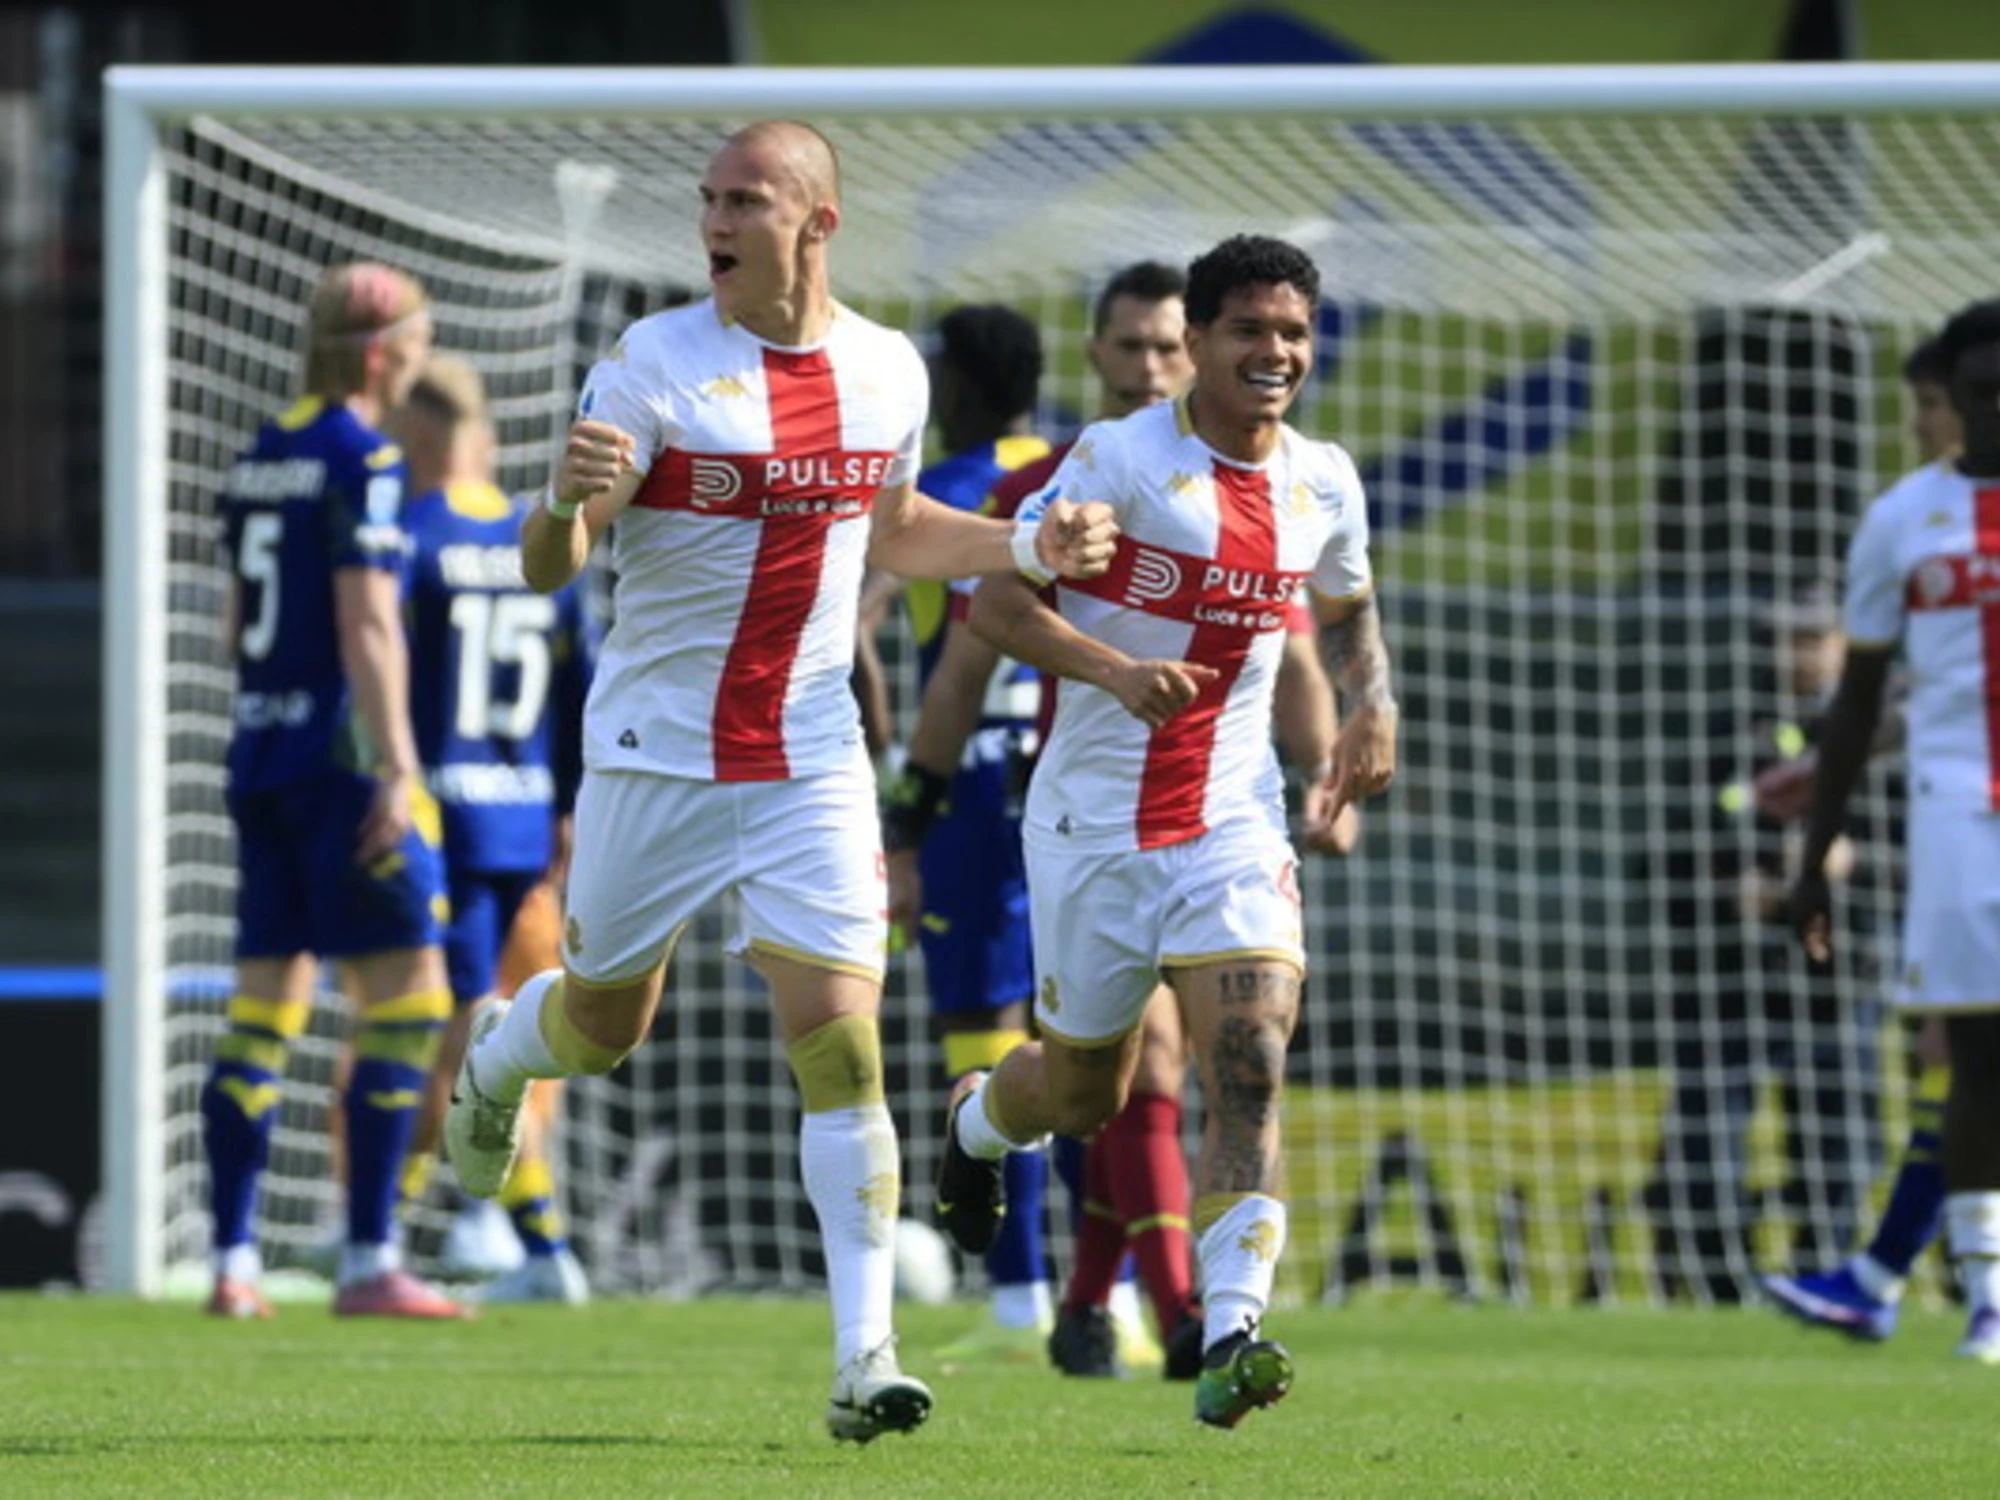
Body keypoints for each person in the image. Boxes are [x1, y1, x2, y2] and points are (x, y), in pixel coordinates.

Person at [441, 120, 1116, 1443]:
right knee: (601, 1029)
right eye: (707, 199)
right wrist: (554, 506)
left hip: (810, 752)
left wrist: (1026, 537)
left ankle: (865, 1359)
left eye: (745, 197)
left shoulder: (881, 371)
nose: (716, 218)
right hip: (656, 750)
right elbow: (551, 561)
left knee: (843, 1042)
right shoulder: (650, 365)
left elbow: (897, 525)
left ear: (818, 221)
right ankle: (499, 1056)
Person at [940, 234, 1396, 1429]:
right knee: (1083, 1097)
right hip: (1092, 821)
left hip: (1227, 818)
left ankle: (1228, 1327)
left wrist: (1371, 705)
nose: (1274, 352)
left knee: (1247, 1054)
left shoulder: (1321, 479)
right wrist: (1111, 665)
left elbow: (1343, 607)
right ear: (1194, 344)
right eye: (1248, 329)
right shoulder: (1115, 462)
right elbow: (995, 604)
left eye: (1292, 331)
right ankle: (980, 1121)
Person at [201, 261, 465, 1320]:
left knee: (264, 1012)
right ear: (376, 352)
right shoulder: (364, 456)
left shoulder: (260, 451)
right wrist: (396, 762)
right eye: (415, 342)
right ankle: (367, 1259)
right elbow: (365, 621)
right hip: (342, 765)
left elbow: (231, 627)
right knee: (412, 1001)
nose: (420, 362)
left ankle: (232, 1260)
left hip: (258, 755)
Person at [1786, 298, 2000, 1364]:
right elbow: (1864, 701)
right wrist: (1815, 847)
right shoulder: (1903, 518)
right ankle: (1981, 1299)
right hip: (1958, 814)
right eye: (1966, 395)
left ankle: (1877, 1277)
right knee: (1966, 1052)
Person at [866, 303, 1060, 1367]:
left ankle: (1021, 1294)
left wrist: (894, 762)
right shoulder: (1082, 466)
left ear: (969, 381)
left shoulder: (940, 492)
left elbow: (860, 620)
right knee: (1098, 1033)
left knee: (983, 1034)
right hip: (1079, 767)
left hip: (975, 776)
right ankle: (1111, 1290)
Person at [393, 354, 593, 1305]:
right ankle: (500, 1235)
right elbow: (583, 689)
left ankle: (511, 1243)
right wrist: (567, 803)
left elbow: (380, 678)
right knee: (505, 1037)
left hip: (447, 820)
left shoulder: (409, 536)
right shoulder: (539, 545)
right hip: (530, 827)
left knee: (456, 1034)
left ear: (421, 437)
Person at [1642, 586, 1885, 1304]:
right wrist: (1732, 886)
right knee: (1708, 1149)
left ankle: (1826, 1275)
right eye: (1788, 636)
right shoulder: (1728, 733)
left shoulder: (1880, 732)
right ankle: (1724, 1290)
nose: (1801, 651)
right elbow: (1667, 849)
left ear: (1844, 641)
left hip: (1841, 979)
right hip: (1733, 979)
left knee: (1840, 1148)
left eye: (1815, 636)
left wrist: (1853, 870)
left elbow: (1918, 845)